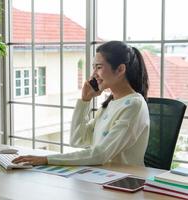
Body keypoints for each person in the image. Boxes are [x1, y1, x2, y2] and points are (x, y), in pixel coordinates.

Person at [12, 41, 150, 166]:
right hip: (102, 176)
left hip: (124, 183)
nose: (94, 74)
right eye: (94, 67)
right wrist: (84, 101)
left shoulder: (134, 105)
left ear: (120, 69)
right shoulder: (110, 103)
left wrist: (47, 159)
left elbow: (101, 154)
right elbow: (77, 140)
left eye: (99, 67)